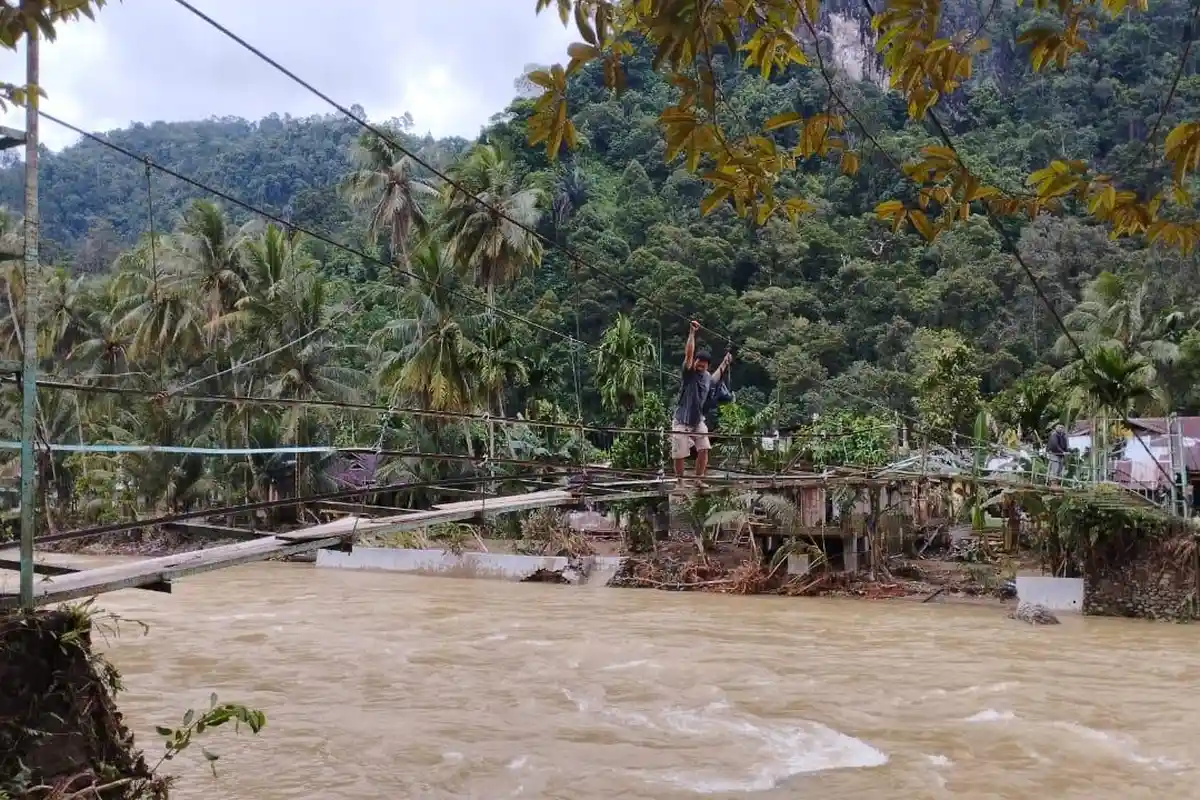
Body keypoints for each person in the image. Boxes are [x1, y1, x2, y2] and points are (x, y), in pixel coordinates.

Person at [672, 320, 732, 488]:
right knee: (679, 453)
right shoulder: (689, 373)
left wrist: (726, 362)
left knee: (704, 448)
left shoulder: (706, 378)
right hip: (681, 420)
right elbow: (688, 355)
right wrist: (692, 333)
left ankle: (698, 479)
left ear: (707, 366)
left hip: (698, 420)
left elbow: (717, 376)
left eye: (703, 364)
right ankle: (680, 482)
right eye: (698, 362)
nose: (699, 365)